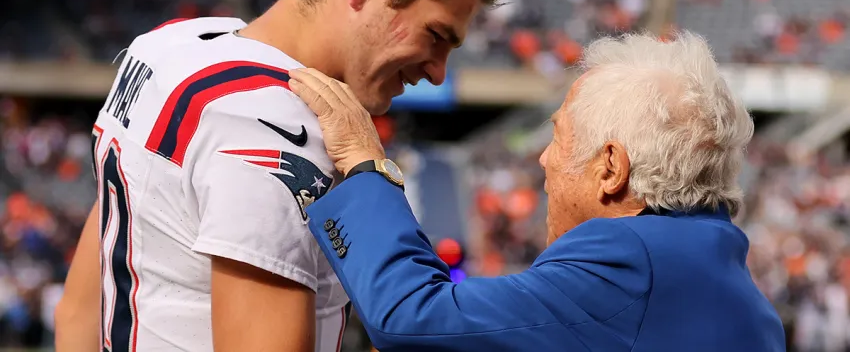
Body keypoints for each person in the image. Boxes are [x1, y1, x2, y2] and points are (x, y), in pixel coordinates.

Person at [53, 0, 516, 350]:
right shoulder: (277, 126)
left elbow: (78, 316)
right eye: (436, 35)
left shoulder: (171, 45)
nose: (438, 72)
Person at [286, 32, 787, 352]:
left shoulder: (632, 260)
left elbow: (410, 316)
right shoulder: (743, 299)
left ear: (611, 168)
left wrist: (365, 165)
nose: (545, 159)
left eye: (558, 137)